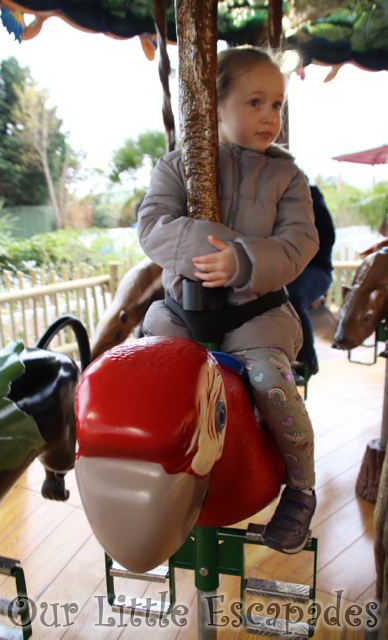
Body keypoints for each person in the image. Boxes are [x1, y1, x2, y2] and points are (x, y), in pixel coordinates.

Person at [137, 47, 319, 554]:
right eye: (255, 102)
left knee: (271, 383)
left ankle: (300, 488)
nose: (270, 116)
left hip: (256, 315)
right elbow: (152, 227)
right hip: (182, 311)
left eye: (278, 104)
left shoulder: (288, 177)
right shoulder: (178, 166)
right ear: (215, 106)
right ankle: (147, 474)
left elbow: (299, 243)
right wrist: (206, 245)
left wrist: (241, 261)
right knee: (145, 377)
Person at [287, 184, 336, 382]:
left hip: (316, 268)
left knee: (292, 295)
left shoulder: (311, 194)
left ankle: (307, 361)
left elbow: (328, 238)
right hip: (289, 268)